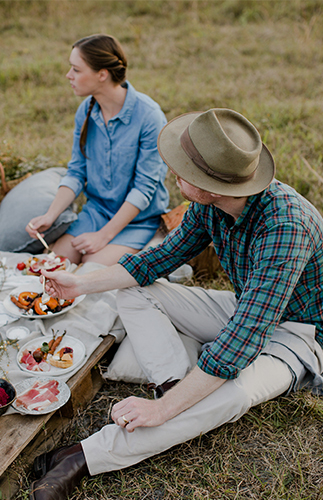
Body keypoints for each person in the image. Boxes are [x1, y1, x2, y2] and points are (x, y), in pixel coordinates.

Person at [29, 108, 323, 500]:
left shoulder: (285, 227)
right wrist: (79, 284)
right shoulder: (210, 205)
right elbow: (156, 260)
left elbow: (243, 339)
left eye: (184, 170)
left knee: (232, 395)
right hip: (245, 306)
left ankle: (82, 456)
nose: (173, 172)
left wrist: (162, 412)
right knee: (133, 291)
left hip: (298, 333)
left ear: (214, 187)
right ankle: (176, 389)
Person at [26, 34, 169, 266]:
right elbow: (76, 172)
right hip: (95, 213)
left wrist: (104, 236)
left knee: (90, 269)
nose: (68, 75)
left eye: (76, 69)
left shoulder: (149, 116)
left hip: (138, 221)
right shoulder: (85, 111)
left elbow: (144, 189)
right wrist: (50, 216)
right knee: (53, 265)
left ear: (102, 74)